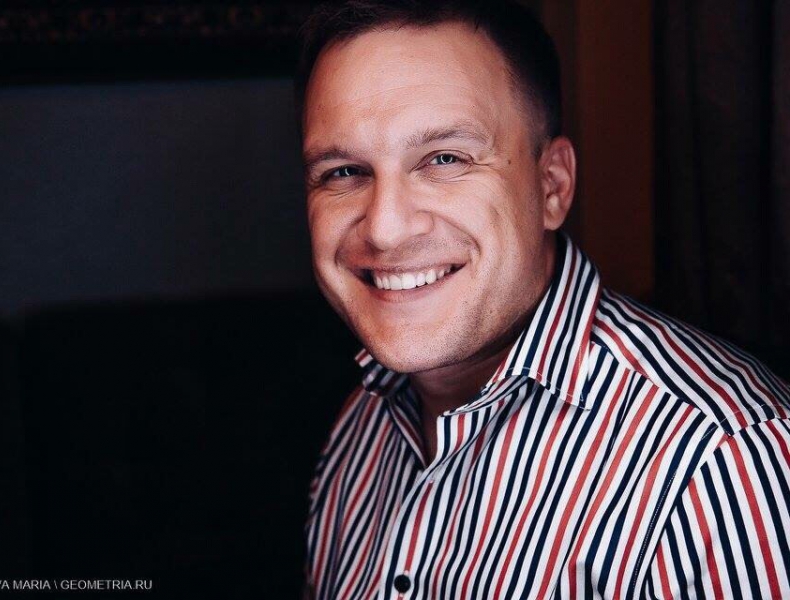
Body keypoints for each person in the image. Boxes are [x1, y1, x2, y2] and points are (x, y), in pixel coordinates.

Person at [296, 1, 790, 598]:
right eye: (344, 172)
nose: (385, 229)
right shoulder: (358, 428)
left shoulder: (723, 464)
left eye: (445, 159)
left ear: (552, 186)